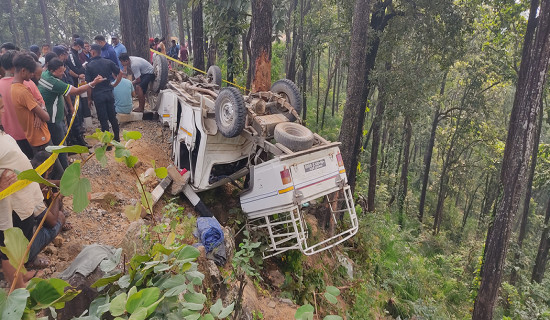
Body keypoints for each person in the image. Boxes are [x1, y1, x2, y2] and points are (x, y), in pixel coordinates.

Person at [0, 97, 48, 289]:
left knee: (21, 239)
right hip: (7, 202)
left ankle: (20, 274)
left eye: (3, 107)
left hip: (20, 197)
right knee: (9, 247)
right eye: (0, 108)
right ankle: (17, 287)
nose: (3, 112)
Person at [39, 58, 104, 168]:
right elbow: (75, 91)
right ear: (52, 70)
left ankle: (65, 162)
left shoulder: (45, 74)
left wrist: (69, 106)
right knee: (60, 147)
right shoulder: (53, 82)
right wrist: (93, 83)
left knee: (63, 141)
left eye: (63, 70)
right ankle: (65, 169)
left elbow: (66, 92)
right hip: (54, 121)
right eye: (60, 71)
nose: (63, 73)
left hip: (58, 118)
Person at [11, 53, 64, 179]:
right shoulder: (23, 91)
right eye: (31, 72)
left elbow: (40, 104)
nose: (32, 75)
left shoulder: (15, 88)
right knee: (55, 174)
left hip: (35, 137)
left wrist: (38, 111)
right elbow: (46, 116)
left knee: (49, 174)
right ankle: (55, 198)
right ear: (23, 71)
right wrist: (40, 112)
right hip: (40, 138)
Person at [0, 50, 41, 159]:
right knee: (40, 165)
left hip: (10, 136)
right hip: (32, 133)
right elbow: (41, 101)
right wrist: (39, 115)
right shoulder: (26, 83)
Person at [85, 44, 122, 142]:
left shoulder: (89, 66)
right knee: (112, 117)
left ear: (93, 52)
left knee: (103, 120)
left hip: (98, 95)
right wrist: (115, 84)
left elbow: (89, 85)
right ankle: (117, 139)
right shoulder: (108, 62)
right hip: (109, 93)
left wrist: (89, 99)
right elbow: (120, 72)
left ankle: (107, 143)